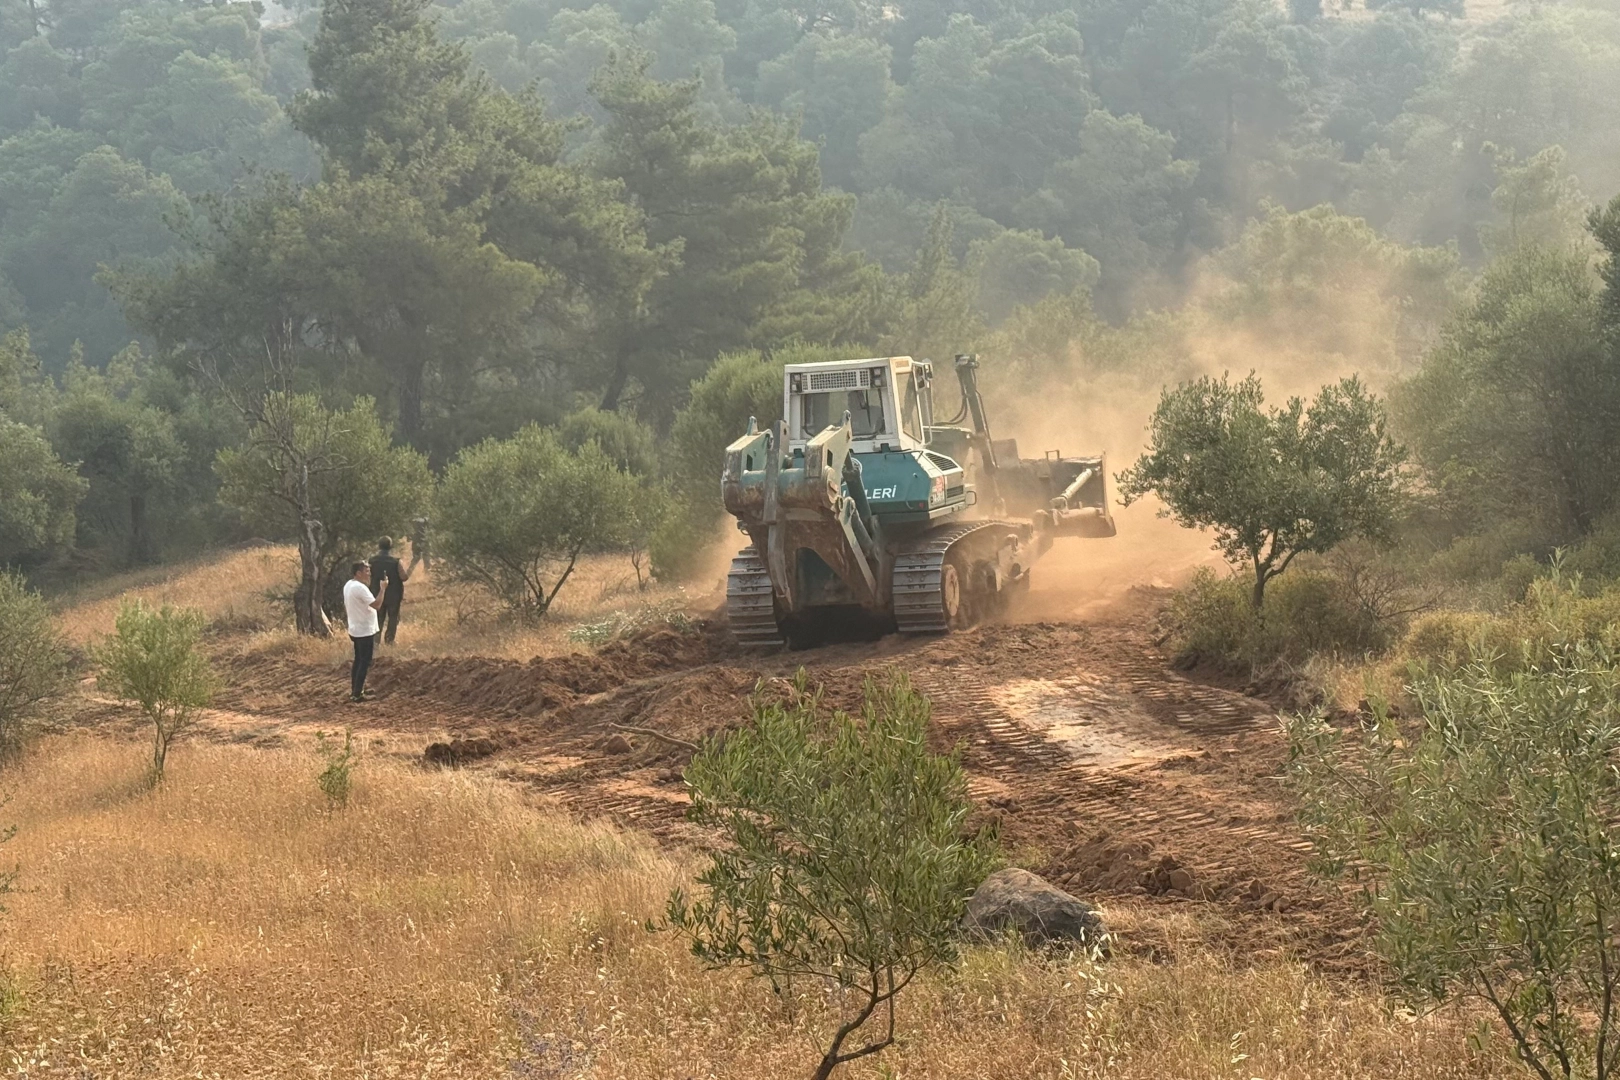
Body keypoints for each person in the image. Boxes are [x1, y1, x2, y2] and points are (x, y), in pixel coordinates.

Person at [343, 560, 385, 703]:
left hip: (356, 629)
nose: (369, 574)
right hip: (364, 630)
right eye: (366, 571)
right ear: (358, 573)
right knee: (364, 662)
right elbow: (377, 605)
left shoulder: (349, 585)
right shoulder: (360, 588)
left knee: (358, 660)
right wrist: (383, 589)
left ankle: (356, 689)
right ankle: (357, 694)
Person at [368, 536, 410, 645]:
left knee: (378, 618)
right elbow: (404, 577)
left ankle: (375, 641)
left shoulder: (372, 561)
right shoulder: (396, 561)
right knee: (393, 617)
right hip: (394, 595)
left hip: (376, 594)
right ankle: (389, 640)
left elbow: (367, 576)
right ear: (391, 547)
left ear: (379, 546)